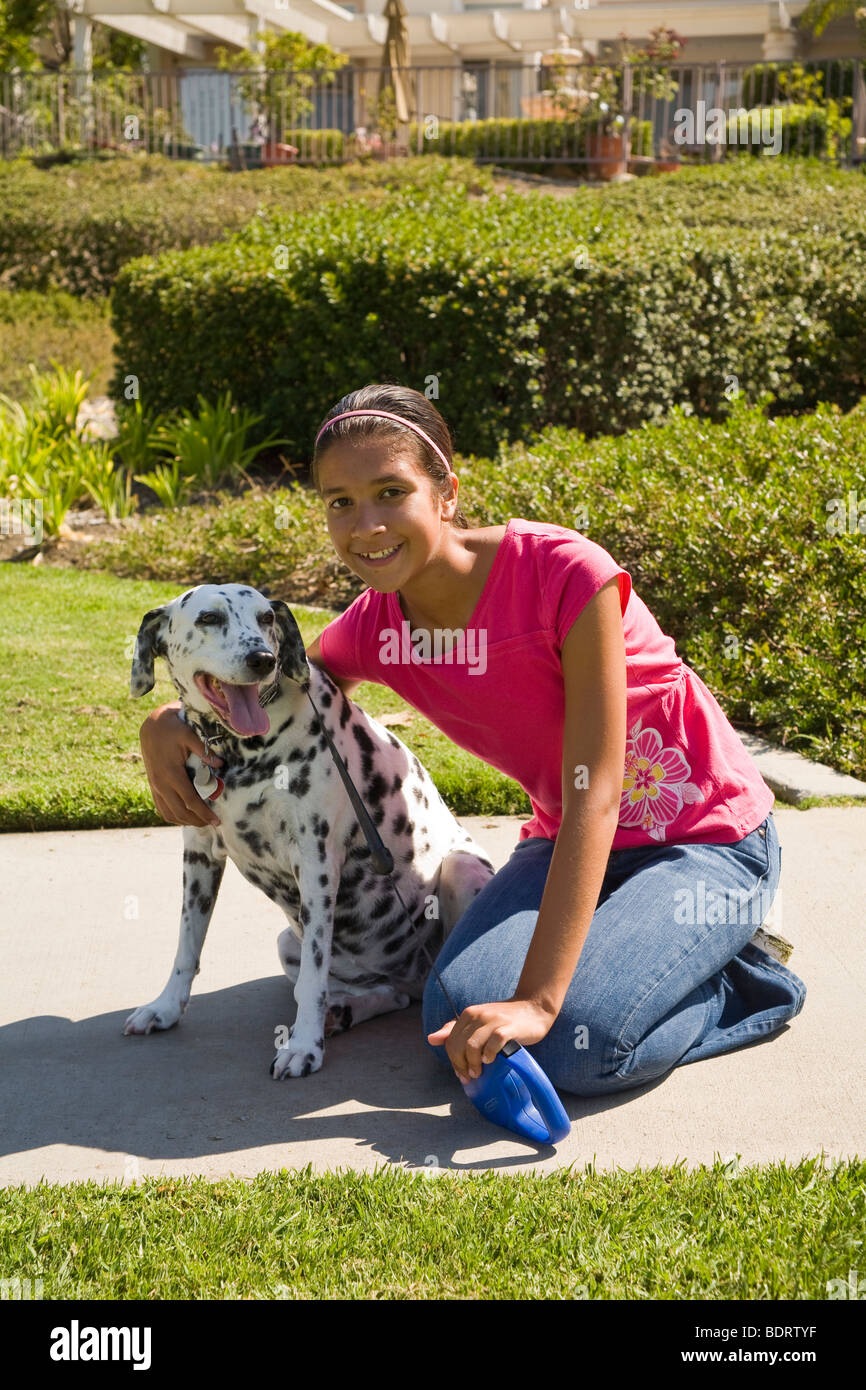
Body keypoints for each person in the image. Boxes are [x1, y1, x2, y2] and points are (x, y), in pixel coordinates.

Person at [138, 382, 806, 1096]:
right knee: (457, 1017)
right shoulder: (376, 626)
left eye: (391, 491)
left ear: (447, 492)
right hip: (565, 848)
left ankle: (739, 977)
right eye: (341, 502)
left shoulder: (564, 574)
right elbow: (281, 687)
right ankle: (629, 953)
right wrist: (165, 724)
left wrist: (543, 1001)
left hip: (703, 843)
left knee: (576, 1045)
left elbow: (599, 794)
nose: (366, 524)